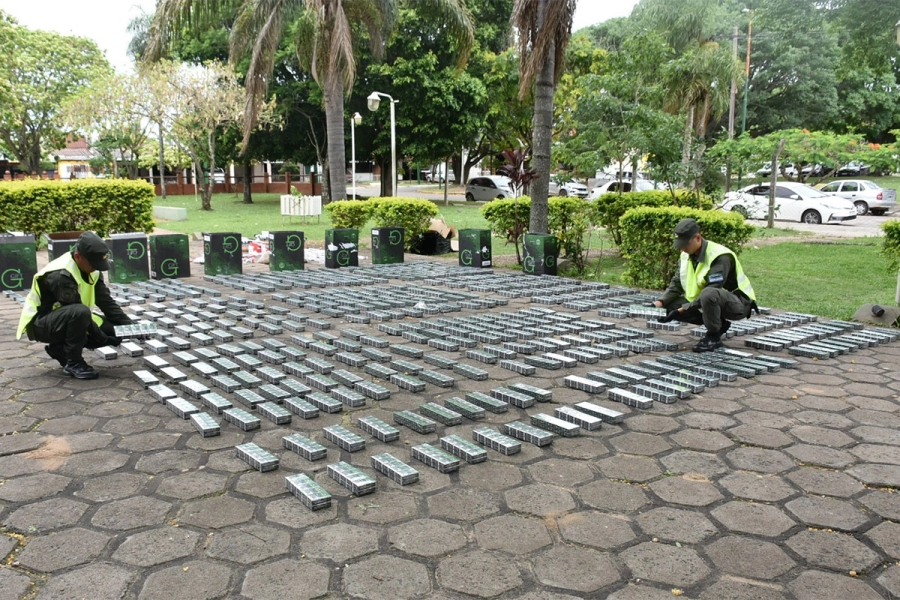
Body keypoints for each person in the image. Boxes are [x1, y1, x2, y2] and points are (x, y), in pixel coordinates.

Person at [16, 232, 132, 379]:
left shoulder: (91, 269)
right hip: (42, 324)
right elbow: (77, 314)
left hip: (66, 317)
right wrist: (101, 338)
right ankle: (73, 363)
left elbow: (105, 301)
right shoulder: (60, 274)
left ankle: (59, 349)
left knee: (115, 330)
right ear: (78, 256)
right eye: (94, 265)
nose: (96, 269)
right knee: (81, 314)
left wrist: (129, 326)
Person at [653, 218, 758, 352]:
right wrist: (659, 303)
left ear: (698, 238)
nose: (682, 248)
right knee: (669, 305)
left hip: (737, 304)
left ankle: (713, 336)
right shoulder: (686, 255)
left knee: (709, 294)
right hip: (707, 302)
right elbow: (677, 283)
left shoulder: (720, 256)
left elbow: (713, 287)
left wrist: (683, 309)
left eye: (685, 244)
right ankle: (721, 324)